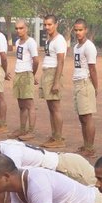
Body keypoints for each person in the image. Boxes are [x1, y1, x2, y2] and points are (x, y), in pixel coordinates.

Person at [70, 19, 99, 158]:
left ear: (86, 30)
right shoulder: (76, 47)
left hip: (85, 82)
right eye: (76, 30)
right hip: (77, 82)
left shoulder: (89, 47)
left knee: (87, 117)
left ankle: (90, 148)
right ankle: (86, 144)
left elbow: (92, 68)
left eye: (80, 30)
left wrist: (95, 87)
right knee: (81, 117)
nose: (78, 32)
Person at [37, 15, 68, 149]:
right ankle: (54, 135)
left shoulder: (59, 40)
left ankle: (59, 138)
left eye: (50, 24)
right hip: (47, 73)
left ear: (56, 25)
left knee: (55, 107)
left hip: (54, 73)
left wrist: (56, 82)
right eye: (45, 25)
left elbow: (61, 61)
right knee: (51, 108)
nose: (47, 27)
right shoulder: (49, 39)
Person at [10, 19, 39, 139]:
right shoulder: (17, 42)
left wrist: (32, 74)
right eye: (16, 28)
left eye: (21, 28)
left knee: (29, 104)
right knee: (21, 105)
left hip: (27, 74)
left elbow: (36, 60)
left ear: (26, 28)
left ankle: (31, 131)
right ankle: (22, 129)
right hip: (18, 74)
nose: (18, 30)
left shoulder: (31, 42)